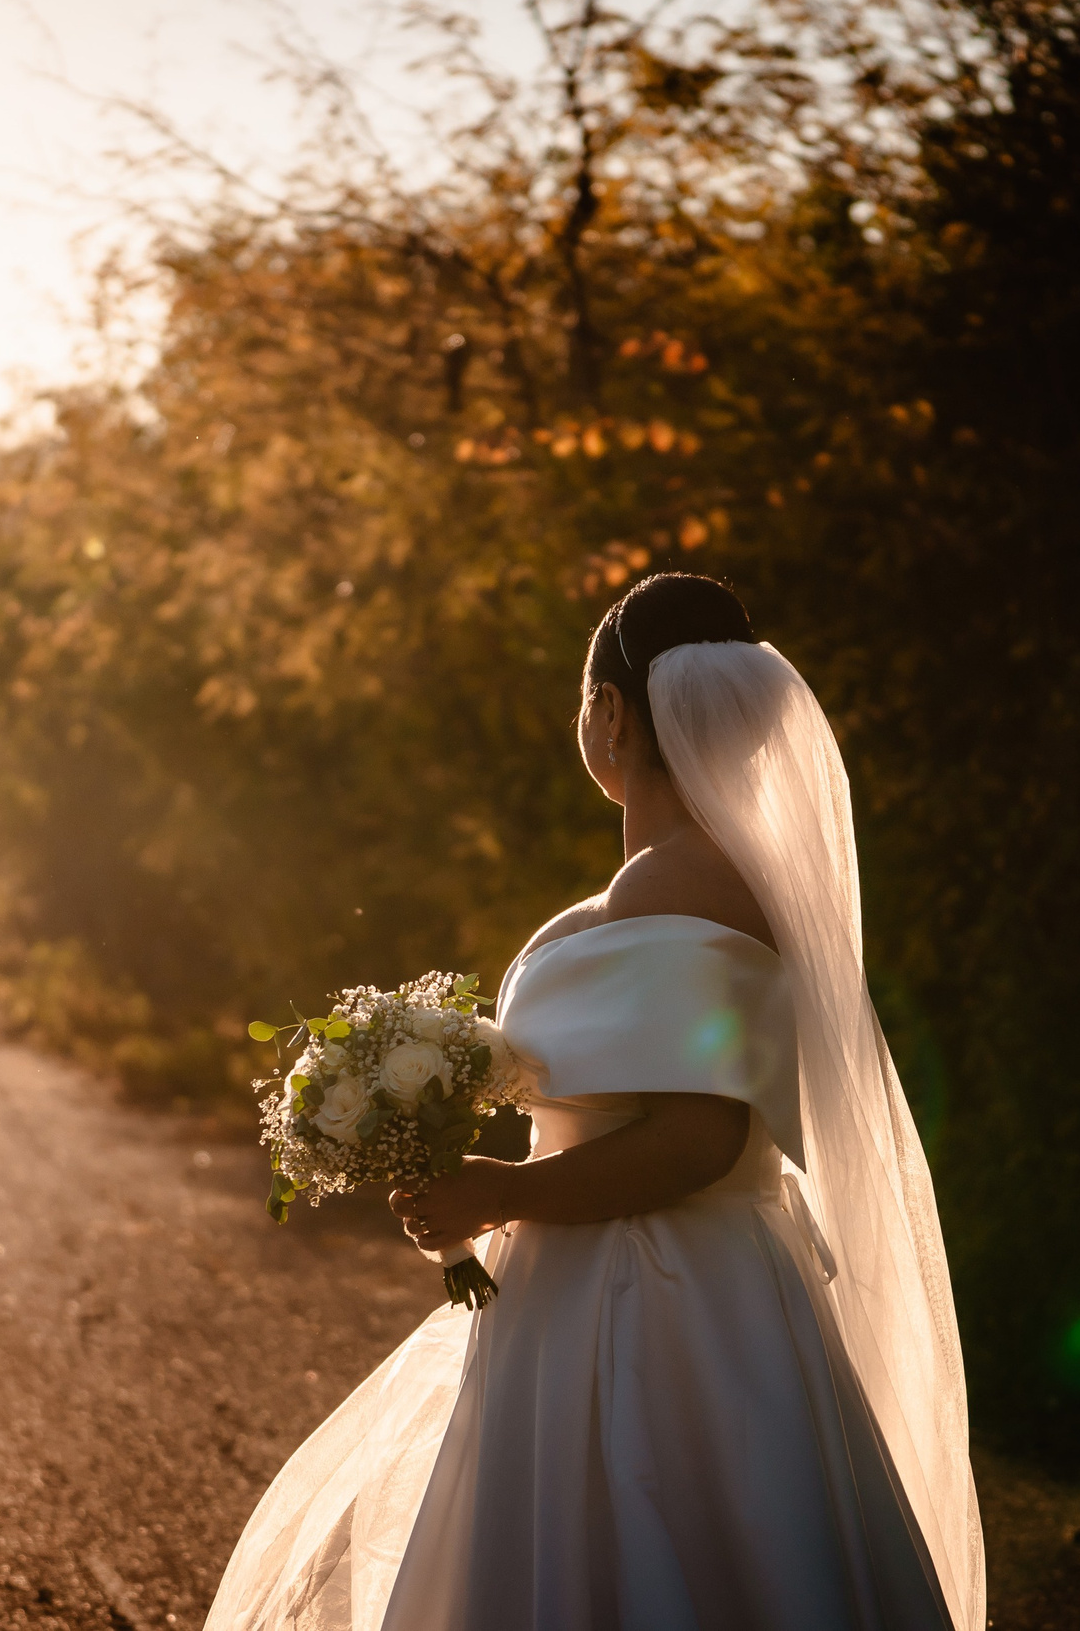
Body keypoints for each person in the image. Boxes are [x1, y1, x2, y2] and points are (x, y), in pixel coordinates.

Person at [204, 573, 985, 1631]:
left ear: (610, 713)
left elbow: (698, 1139)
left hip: (650, 1296)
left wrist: (501, 1187)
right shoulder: (700, 871)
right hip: (658, 1281)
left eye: (584, 702)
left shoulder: (674, 881)